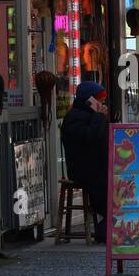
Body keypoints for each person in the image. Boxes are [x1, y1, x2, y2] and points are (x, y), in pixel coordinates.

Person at [61, 81, 110, 242]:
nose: (101, 104)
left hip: (95, 167)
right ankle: (106, 230)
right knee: (107, 191)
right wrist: (99, 117)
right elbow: (90, 138)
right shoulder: (74, 118)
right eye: (98, 100)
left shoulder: (90, 116)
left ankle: (107, 228)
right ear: (89, 100)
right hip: (84, 170)